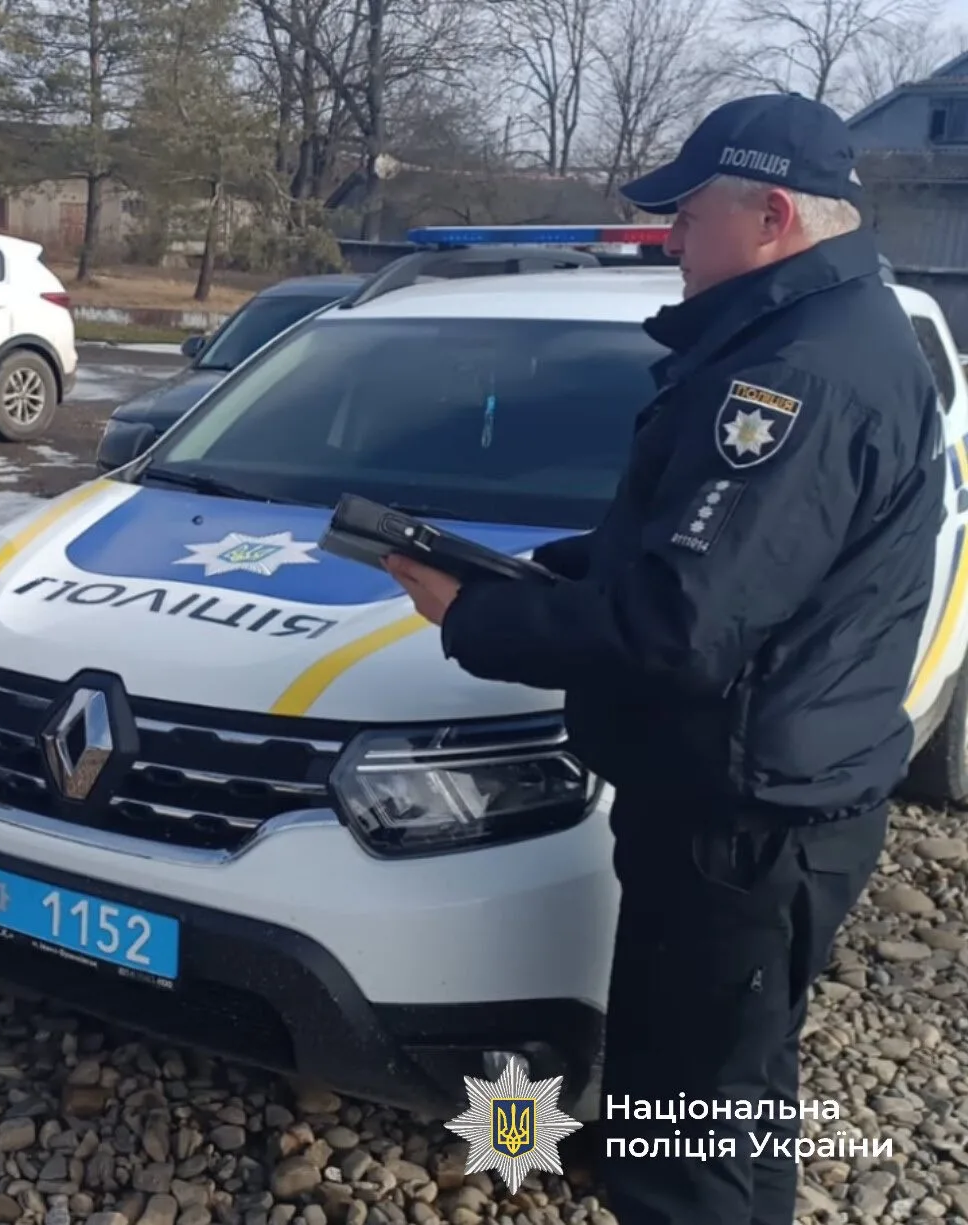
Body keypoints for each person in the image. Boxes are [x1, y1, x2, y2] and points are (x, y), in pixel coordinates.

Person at [382, 95, 942, 1225]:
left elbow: (681, 627)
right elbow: (696, 550)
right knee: (729, 1100)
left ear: (772, 215)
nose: (669, 235)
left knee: (682, 1142)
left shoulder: (796, 378)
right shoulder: (817, 336)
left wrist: (473, 617)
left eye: (688, 212)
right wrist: (542, 569)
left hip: (739, 826)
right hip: (756, 803)